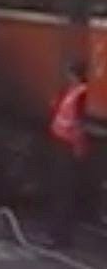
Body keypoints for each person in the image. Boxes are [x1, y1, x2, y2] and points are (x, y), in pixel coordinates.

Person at [47, 59, 90, 248]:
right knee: (60, 191)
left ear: (74, 75)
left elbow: (78, 124)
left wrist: (78, 148)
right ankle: (58, 234)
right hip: (62, 144)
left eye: (69, 73)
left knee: (64, 193)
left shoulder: (81, 94)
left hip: (68, 148)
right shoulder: (72, 92)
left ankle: (61, 237)